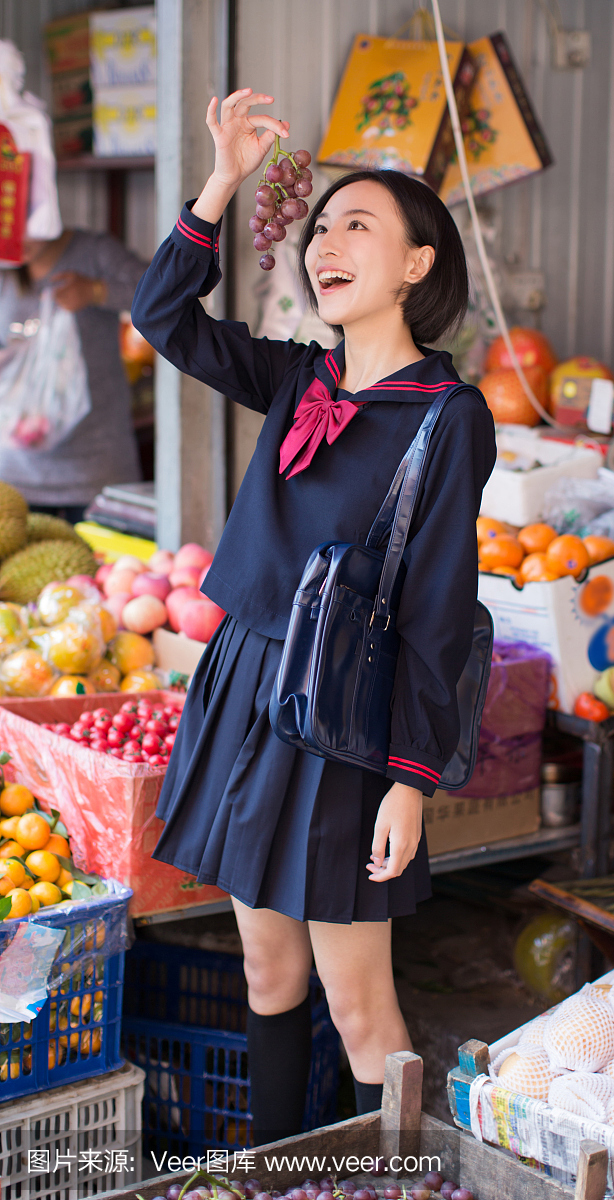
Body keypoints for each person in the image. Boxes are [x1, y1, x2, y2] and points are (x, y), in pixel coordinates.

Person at [131, 88, 495, 1143]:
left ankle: (388, 1172)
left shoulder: (446, 415)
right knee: (265, 965)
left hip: (342, 719)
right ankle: (279, 1167)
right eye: (321, 227)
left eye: (359, 225)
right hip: (245, 683)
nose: (326, 243)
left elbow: (438, 604)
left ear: (417, 264)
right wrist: (222, 180)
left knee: (358, 1001)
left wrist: (410, 779)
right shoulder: (298, 375)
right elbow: (162, 316)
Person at [0, 227, 147, 523]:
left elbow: (164, 290)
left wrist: (97, 291)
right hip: (16, 472)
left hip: (96, 465)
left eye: (29, 225)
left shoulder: (94, 252)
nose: (20, 239)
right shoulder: (5, 268)